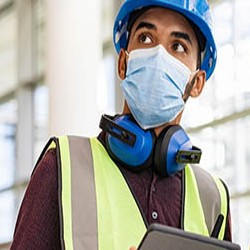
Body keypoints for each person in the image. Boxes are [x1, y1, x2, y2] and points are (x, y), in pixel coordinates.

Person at [10, 0, 232, 249]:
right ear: (123, 63)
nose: (159, 55)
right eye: (146, 38)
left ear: (198, 82)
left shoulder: (213, 198)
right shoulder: (62, 167)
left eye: (178, 46)